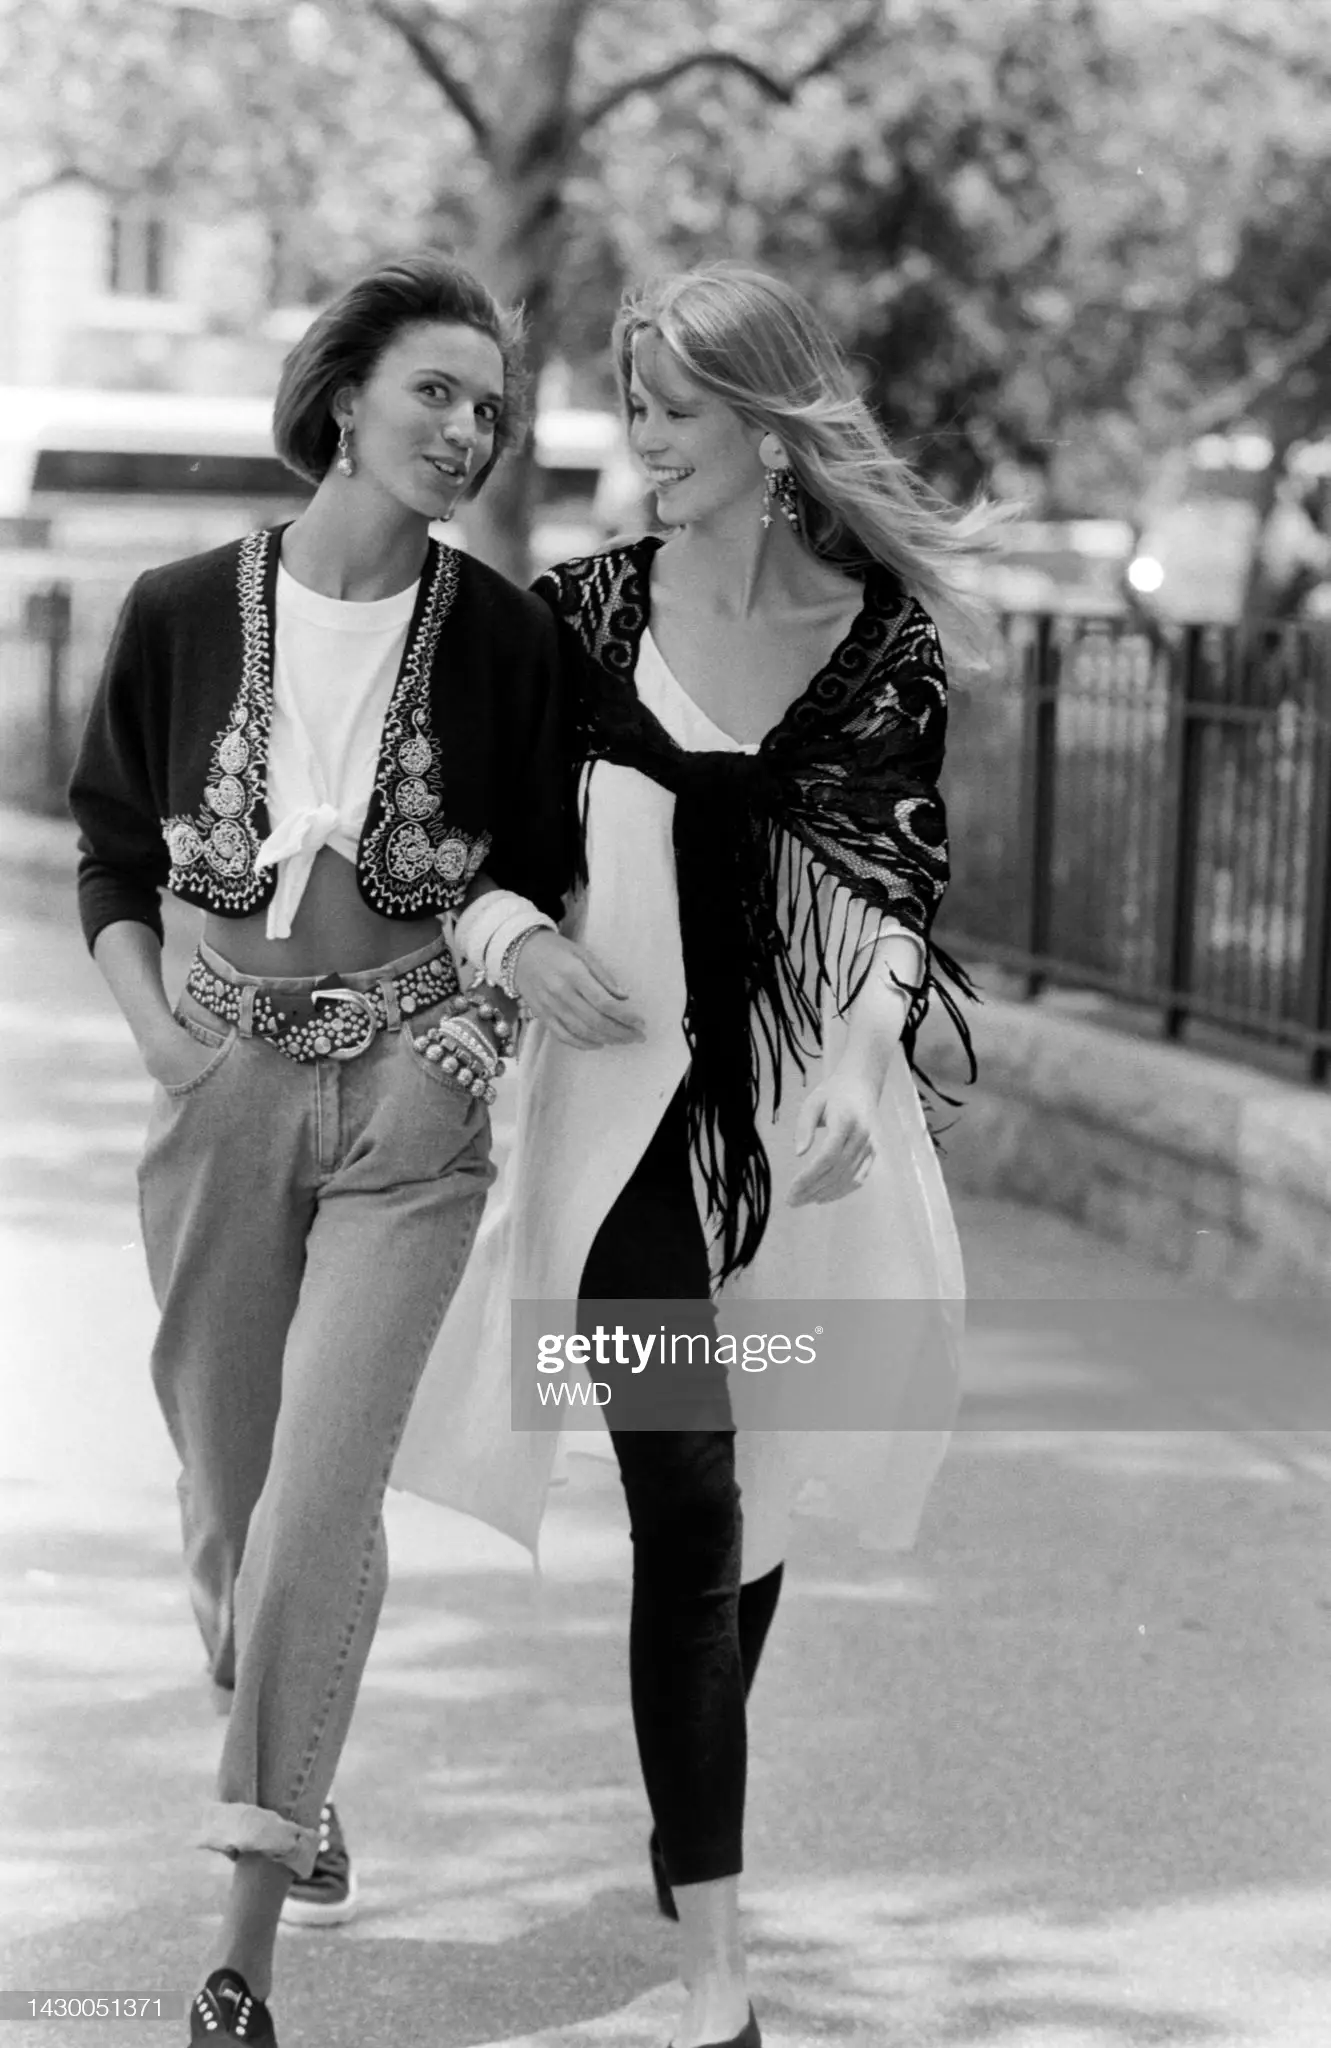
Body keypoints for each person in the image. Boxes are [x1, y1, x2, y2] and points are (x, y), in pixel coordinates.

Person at [393, 262, 994, 2048]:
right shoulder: (574, 620)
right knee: (688, 1500)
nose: (639, 440)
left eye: (668, 410)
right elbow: (471, 857)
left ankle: (691, 1825)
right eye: (634, 407)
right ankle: (716, 1980)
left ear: (764, 422)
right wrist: (518, 942)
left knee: (762, 1490)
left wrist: (864, 1060)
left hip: (811, 1149)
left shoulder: (879, 639)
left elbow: (892, 896)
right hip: (616, 1147)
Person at [66, 251, 633, 2048]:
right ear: (341, 401)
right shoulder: (173, 610)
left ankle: (239, 1945)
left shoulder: (509, 642)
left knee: (316, 1503)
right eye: (433, 393)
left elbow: (535, 871)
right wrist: (159, 1033)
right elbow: (108, 849)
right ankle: (294, 1755)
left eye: (489, 407)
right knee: (230, 1504)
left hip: (411, 1098)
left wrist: (482, 1029)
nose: (467, 430)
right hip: (222, 1080)